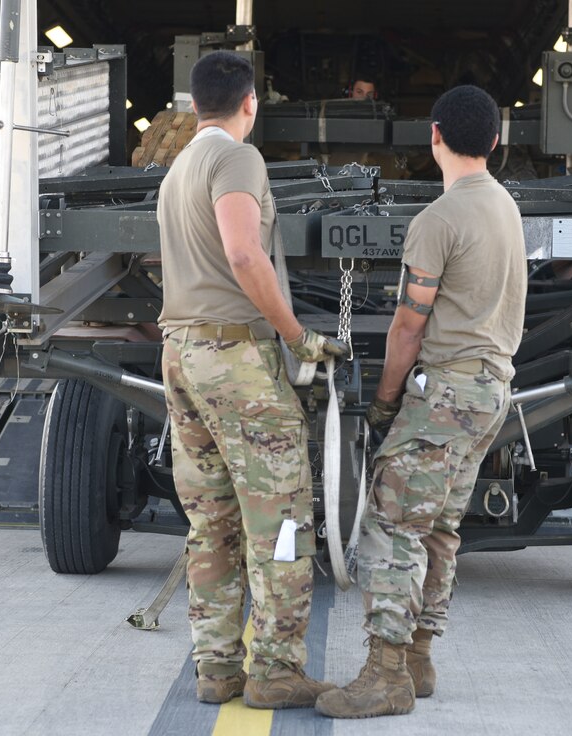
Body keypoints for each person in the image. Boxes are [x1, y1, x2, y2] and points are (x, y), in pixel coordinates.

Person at [315, 85, 527, 719]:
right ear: (494, 141)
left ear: (433, 135)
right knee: (439, 527)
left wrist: (384, 403)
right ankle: (418, 659)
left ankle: (384, 675)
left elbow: (409, 325)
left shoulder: (437, 220)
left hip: (447, 392)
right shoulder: (506, 207)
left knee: (391, 526)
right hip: (492, 392)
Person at [156, 51, 349, 709]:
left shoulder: (178, 166)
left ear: (191, 104)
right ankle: (275, 670)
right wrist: (297, 335)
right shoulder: (238, 158)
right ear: (250, 104)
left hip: (181, 353)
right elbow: (242, 251)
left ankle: (216, 670)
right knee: (282, 515)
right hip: (232, 357)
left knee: (210, 521)